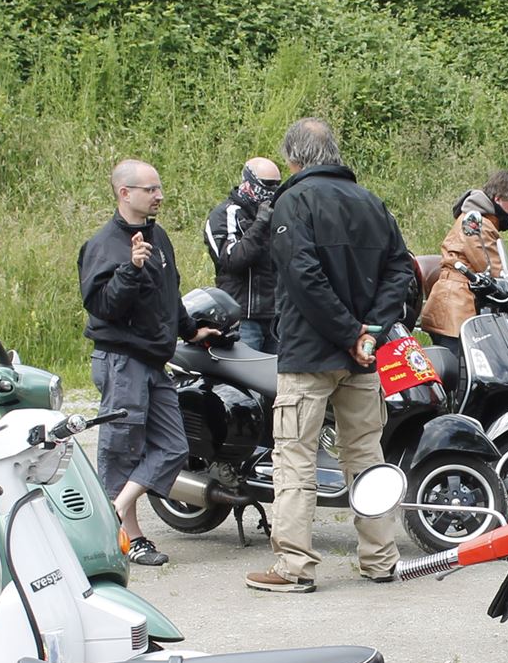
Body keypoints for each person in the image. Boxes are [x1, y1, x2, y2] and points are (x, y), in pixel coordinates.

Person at [246, 117, 410, 593]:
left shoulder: (293, 201)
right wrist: (370, 331)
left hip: (308, 353)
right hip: (361, 357)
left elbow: (302, 276)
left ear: (293, 159)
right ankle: (381, 558)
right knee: (366, 455)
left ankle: (294, 567)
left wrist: (349, 331)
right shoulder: (371, 202)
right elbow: (400, 269)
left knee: (295, 456)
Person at [79, 158, 215, 567]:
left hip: (155, 362)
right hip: (122, 362)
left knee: (174, 447)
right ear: (125, 193)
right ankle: (130, 539)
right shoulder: (104, 245)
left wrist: (190, 331)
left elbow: (170, 295)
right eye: (150, 189)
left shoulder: (159, 237)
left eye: (159, 188)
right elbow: (102, 306)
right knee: (121, 449)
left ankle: (115, 510)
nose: (159, 196)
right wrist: (131, 269)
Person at [418, 170, 508, 358]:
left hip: (457, 304)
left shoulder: (481, 220)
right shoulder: (477, 224)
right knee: (461, 368)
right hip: (456, 308)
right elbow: (493, 270)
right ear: (498, 199)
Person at [204, 157, 281, 352]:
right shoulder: (225, 214)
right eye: (267, 185)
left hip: (275, 317)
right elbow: (232, 260)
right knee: (246, 370)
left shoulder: (278, 214)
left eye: (277, 185)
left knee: (278, 372)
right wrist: (261, 223)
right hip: (243, 317)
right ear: (248, 182)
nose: (272, 191)